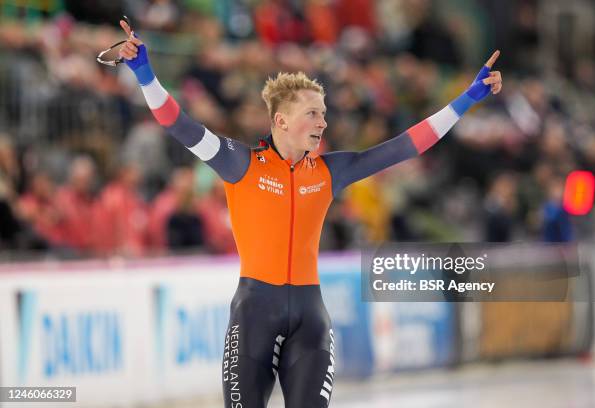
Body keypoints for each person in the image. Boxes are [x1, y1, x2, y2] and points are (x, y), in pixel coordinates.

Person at [117, 19, 502, 408]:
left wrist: (466, 99)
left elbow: (407, 146)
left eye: (324, 113)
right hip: (253, 316)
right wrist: (145, 73)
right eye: (313, 114)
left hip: (310, 320)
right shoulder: (240, 164)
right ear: (281, 120)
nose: (324, 122)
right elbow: (177, 124)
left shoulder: (331, 172)